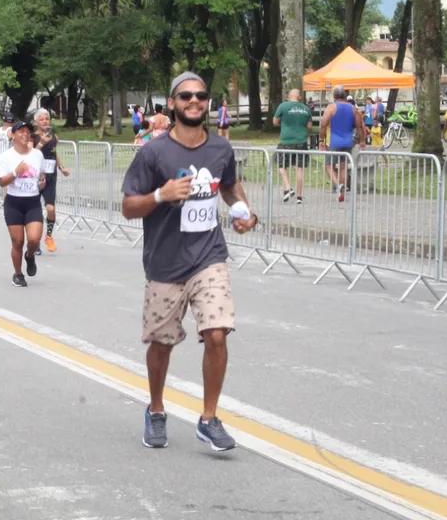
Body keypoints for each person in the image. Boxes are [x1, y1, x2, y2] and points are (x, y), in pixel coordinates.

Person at [121, 71, 258, 452]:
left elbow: (228, 184)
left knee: (217, 332)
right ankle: (156, 409)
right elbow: (129, 206)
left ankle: (209, 418)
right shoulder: (153, 153)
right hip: (165, 262)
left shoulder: (220, 149)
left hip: (208, 256)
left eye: (200, 95)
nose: (194, 101)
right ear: (173, 103)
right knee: (162, 343)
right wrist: (161, 195)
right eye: (186, 96)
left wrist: (242, 209)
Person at [0, 120, 45, 287]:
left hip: (32, 201)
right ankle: (18, 274)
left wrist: (42, 181)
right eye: (20, 131)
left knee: (34, 239)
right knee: (17, 242)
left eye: (27, 131)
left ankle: (30, 256)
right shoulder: (6, 156)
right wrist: (16, 172)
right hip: (14, 203)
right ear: (13, 135)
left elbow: (42, 174)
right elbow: (2, 182)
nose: (25, 134)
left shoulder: (37, 155)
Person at [32, 108, 71, 254]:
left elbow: (54, 153)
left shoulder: (54, 136)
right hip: (35, 177)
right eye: (41, 119)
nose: (44, 121)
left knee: (50, 209)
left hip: (51, 176)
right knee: (35, 213)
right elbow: (31, 155)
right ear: (36, 121)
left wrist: (62, 168)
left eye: (46, 119)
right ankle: (34, 242)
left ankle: (48, 236)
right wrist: (41, 143)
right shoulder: (32, 137)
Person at [319, 85, 366, 203]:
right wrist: (362, 141)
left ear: (334, 96)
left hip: (334, 141)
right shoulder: (353, 109)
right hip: (348, 141)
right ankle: (342, 192)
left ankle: (338, 185)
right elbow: (359, 126)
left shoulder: (331, 107)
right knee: (343, 167)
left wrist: (321, 140)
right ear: (345, 96)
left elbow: (323, 123)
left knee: (329, 166)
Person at [273, 89, 312, 204]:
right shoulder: (306, 109)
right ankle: (299, 197)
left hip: (286, 141)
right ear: (299, 97)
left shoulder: (283, 106)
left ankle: (288, 188)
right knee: (299, 169)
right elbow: (309, 126)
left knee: (281, 165)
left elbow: (275, 121)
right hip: (302, 142)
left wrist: (284, 122)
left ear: (289, 96)